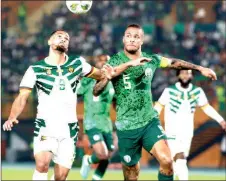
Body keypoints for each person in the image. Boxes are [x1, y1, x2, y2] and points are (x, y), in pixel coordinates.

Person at [93, 24, 218, 181]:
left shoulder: (151, 60)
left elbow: (174, 63)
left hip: (149, 121)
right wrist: (109, 77)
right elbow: (96, 90)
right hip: (126, 126)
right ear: (124, 39)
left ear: (142, 41)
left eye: (136, 36)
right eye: (129, 36)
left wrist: (200, 68)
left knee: (167, 161)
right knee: (131, 172)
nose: (132, 39)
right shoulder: (114, 62)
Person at [2, 30, 113, 181]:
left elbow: (101, 76)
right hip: (46, 125)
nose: (63, 39)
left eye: (66, 38)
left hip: (69, 128)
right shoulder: (35, 69)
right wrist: (12, 116)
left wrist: (106, 76)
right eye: (59, 36)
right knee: (42, 164)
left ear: (68, 45)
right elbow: (22, 97)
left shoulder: (78, 63)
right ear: (49, 41)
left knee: (61, 176)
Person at [154, 69, 226, 180]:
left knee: (178, 160)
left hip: (187, 131)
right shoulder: (169, 91)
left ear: (191, 76)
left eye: (188, 73)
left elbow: (206, 108)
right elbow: (158, 107)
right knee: (180, 157)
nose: (185, 76)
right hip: (171, 130)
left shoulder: (197, 91)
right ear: (178, 75)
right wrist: (151, 121)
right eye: (182, 73)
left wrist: (221, 120)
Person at [77, 54, 115, 180]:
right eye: (101, 61)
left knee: (107, 157)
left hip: (106, 124)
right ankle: (88, 160)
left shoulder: (113, 83)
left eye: (107, 61)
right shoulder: (89, 80)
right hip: (92, 121)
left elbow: (116, 103)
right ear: (96, 63)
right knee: (102, 154)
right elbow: (76, 92)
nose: (104, 63)